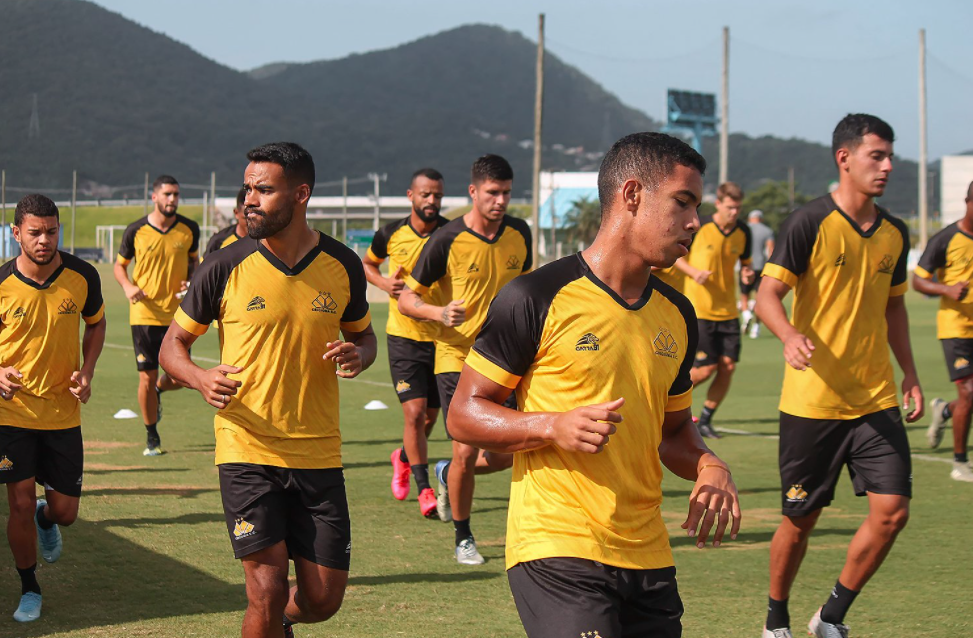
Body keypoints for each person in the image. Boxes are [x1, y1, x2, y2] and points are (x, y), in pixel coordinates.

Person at [448, 132, 741, 638]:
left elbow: (674, 435)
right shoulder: (536, 295)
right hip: (557, 547)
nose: (695, 221)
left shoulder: (677, 314)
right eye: (682, 202)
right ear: (632, 195)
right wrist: (551, 425)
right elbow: (464, 413)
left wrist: (710, 466)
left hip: (648, 554)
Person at [160, 142, 376, 638]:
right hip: (246, 448)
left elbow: (364, 336)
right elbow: (174, 345)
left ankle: (279, 624)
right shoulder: (224, 265)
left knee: (322, 599)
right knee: (266, 587)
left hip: (318, 451)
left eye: (263, 189)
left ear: (300, 194)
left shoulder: (342, 264)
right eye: (248, 188)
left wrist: (358, 355)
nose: (249, 199)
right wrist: (198, 377)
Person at [755, 113, 922, 638]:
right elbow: (766, 295)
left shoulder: (896, 232)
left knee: (893, 512)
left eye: (890, 155)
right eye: (877, 155)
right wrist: (787, 335)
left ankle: (829, 617)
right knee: (800, 521)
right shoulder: (808, 223)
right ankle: (775, 619)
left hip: (875, 398)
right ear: (844, 159)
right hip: (813, 404)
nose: (888, 166)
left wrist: (911, 375)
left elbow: (895, 310)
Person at [398, 154, 531, 565]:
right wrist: (438, 313)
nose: (501, 201)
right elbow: (407, 298)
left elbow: (528, 290)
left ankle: (443, 475)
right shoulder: (446, 239)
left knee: (509, 453)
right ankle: (463, 536)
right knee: (466, 453)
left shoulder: (519, 233)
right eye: (493, 193)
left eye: (507, 193)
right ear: (473, 191)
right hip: (457, 357)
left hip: (508, 359)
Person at [0, 194, 106, 623]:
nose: (45, 240)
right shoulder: (2, 283)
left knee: (65, 512)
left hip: (63, 413)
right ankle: (29, 587)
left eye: (51, 231)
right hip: (12, 414)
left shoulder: (81, 276)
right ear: (16, 234)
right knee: (20, 503)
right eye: (35, 233)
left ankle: (49, 520)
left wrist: (88, 369)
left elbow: (96, 323)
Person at [363, 168, 449, 517]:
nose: (431, 201)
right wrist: (384, 285)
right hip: (404, 336)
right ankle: (425, 489)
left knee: (428, 420)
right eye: (425, 194)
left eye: (437, 196)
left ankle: (402, 456)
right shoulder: (390, 233)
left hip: (444, 339)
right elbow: (368, 264)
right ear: (411, 196)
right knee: (413, 414)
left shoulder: (452, 234)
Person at [113, 175, 199, 456]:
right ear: (154, 197)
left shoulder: (189, 229)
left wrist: (190, 281)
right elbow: (119, 266)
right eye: (167, 194)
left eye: (176, 194)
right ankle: (152, 437)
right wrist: (127, 287)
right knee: (146, 379)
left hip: (178, 316)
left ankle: (158, 394)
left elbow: (194, 262)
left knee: (183, 376)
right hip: (144, 315)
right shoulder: (135, 230)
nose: (172, 199)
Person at [672, 182, 755, 439]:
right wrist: (695, 272)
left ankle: (705, 419)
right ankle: (666, 399)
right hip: (700, 310)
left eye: (738, 208)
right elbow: (677, 256)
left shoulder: (743, 232)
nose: (734, 212)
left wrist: (749, 274)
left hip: (728, 311)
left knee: (728, 366)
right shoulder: (700, 226)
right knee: (706, 368)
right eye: (730, 207)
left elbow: (746, 264)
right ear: (718, 203)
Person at [913, 180, 973, 482]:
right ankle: (960, 463)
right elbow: (918, 280)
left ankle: (945, 411)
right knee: (970, 392)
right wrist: (946, 289)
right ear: (968, 202)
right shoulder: (946, 238)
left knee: (968, 398)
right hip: (956, 329)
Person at [740, 209, 775, 338]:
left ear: (750, 218)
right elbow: (770, 250)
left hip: (745, 267)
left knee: (744, 296)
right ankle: (756, 328)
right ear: (761, 218)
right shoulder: (767, 231)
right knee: (759, 298)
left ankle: (746, 315)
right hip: (761, 267)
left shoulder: (744, 229)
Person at [204, 186, 249, 257]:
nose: (251, 223)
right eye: (247, 218)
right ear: (236, 213)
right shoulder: (218, 242)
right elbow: (206, 267)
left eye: (255, 218)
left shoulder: (266, 240)